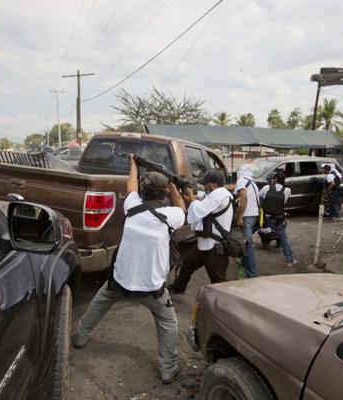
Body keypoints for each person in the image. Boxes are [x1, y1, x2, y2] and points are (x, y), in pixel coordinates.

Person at [72, 155, 186, 384]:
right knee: (168, 322)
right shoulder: (171, 216)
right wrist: (173, 185)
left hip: (120, 280)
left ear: (143, 192)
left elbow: (130, 186)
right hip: (151, 288)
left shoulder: (131, 206)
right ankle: (168, 369)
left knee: (99, 303)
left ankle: (79, 337)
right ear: (164, 194)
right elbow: (182, 207)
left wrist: (133, 164)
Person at [169, 170, 233, 294]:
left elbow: (199, 209)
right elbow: (202, 199)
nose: (204, 186)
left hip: (215, 247)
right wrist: (189, 197)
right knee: (187, 264)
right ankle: (178, 287)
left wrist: (191, 198)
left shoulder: (220, 194)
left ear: (213, 185)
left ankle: (223, 307)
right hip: (205, 244)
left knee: (219, 282)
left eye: (206, 184)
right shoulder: (215, 194)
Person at [258, 172, 296, 268]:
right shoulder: (287, 190)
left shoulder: (266, 188)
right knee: (284, 238)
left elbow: (259, 197)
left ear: (274, 179)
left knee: (249, 232)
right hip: (277, 219)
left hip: (265, 218)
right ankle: (290, 260)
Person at [233, 165, 260, 278]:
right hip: (254, 216)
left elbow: (243, 197)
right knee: (246, 242)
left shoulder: (241, 181)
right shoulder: (251, 182)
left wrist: (239, 217)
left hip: (247, 217)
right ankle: (246, 264)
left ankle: (252, 274)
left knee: (247, 245)